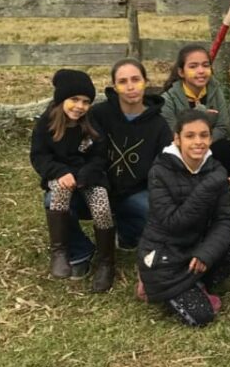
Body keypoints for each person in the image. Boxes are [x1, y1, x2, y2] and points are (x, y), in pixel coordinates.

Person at [136, 109, 230, 327]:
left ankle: (196, 281)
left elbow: (224, 221)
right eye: (190, 136)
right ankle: (158, 284)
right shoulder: (160, 171)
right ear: (177, 139)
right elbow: (174, 223)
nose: (198, 142)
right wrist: (211, 186)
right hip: (166, 255)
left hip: (196, 248)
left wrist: (206, 254)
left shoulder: (215, 169)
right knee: (202, 317)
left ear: (211, 139)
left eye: (204, 135)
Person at [86, 59, 173, 291]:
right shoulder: (99, 115)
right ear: (115, 87)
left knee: (152, 211)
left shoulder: (159, 125)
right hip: (98, 187)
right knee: (52, 200)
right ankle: (80, 251)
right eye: (123, 81)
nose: (130, 86)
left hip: (135, 191)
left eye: (136, 79)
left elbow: (164, 168)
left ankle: (127, 232)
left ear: (145, 83)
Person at [30, 69, 113, 285]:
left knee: (101, 204)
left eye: (86, 102)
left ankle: (106, 261)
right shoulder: (46, 125)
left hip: (89, 178)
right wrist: (59, 172)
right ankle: (60, 250)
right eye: (74, 99)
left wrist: (86, 174)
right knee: (57, 192)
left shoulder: (91, 124)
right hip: (62, 178)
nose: (80, 106)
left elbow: (100, 156)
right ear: (61, 99)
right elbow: (39, 156)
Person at [160, 44, 230, 175]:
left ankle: (219, 190)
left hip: (210, 145)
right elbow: (173, 134)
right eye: (193, 66)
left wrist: (204, 143)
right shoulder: (168, 99)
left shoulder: (215, 90)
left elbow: (223, 126)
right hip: (181, 152)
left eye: (205, 65)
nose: (201, 71)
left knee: (226, 148)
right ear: (181, 72)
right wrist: (201, 115)